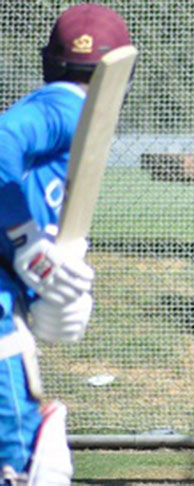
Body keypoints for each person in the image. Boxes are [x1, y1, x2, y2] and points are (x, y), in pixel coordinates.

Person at [0, 4, 132, 485]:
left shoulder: (71, 114)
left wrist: (45, 283)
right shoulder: (68, 107)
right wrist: (26, 239)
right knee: (22, 460)